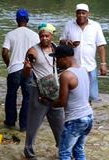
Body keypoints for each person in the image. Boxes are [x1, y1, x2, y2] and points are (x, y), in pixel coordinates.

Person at [23, 23, 64, 159]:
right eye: (41, 35)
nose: (44, 38)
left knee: (59, 121)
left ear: (52, 36)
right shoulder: (32, 51)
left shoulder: (55, 48)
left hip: (54, 89)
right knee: (34, 122)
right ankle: (29, 151)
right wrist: (28, 68)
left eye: (47, 35)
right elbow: (25, 74)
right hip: (38, 90)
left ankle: (63, 149)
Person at [51, 45, 93, 160]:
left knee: (64, 153)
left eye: (57, 59)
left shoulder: (66, 75)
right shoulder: (83, 70)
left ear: (64, 58)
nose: (56, 62)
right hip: (88, 116)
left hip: (75, 119)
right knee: (78, 149)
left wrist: (49, 103)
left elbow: (62, 102)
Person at [60, 3, 107, 101]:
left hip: (90, 66)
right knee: (74, 93)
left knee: (93, 96)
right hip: (73, 66)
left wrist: (103, 63)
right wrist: (67, 42)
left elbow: (101, 45)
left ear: (88, 14)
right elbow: (61, 41)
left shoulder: (95, 26)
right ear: (75, 14)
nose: (81, 15)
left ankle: (88, 110)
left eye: (83, 13)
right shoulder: (69, 25)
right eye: (79, 13)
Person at [2, 9, 39, 131]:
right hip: (28, 69)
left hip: (14, 69)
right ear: (27, 20)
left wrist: (9, 63)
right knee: (27, 97)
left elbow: (5, 52)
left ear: (17, 20)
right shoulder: (34, 35)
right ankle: (24, 125)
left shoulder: (10, 34)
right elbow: (37, 54)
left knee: (11, 95)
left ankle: (10, 121)